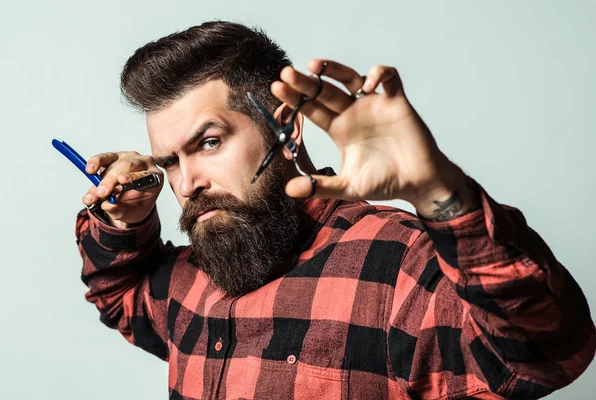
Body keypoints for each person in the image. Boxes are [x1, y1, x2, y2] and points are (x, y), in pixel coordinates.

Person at [76, 21, 595, 399]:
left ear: (286, 128)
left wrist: (440, 192)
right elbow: (119, 295)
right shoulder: (197, 272)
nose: (186, 185)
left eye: (209, 143)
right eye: (169, 162)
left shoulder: (399, 268)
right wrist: (129, 218)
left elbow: (546, 353)